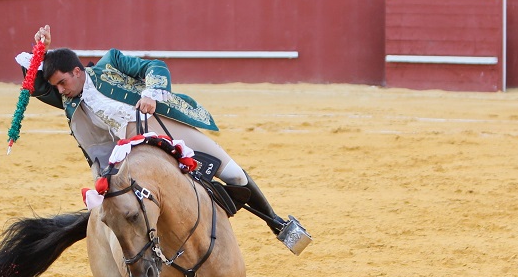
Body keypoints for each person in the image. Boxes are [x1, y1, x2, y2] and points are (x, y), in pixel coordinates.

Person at [17, 25, 307, 249]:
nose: (60, 91)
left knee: (233, 174)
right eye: (56, 86)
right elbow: (36, 85)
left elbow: (154, 67)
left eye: (63, 83)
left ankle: (278, 224)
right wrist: (41, 51)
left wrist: (150, 95)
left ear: (78, 72)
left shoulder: (111, 64)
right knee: (126, 209)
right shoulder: (68, 99)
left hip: (163, 125)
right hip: (131, 151)